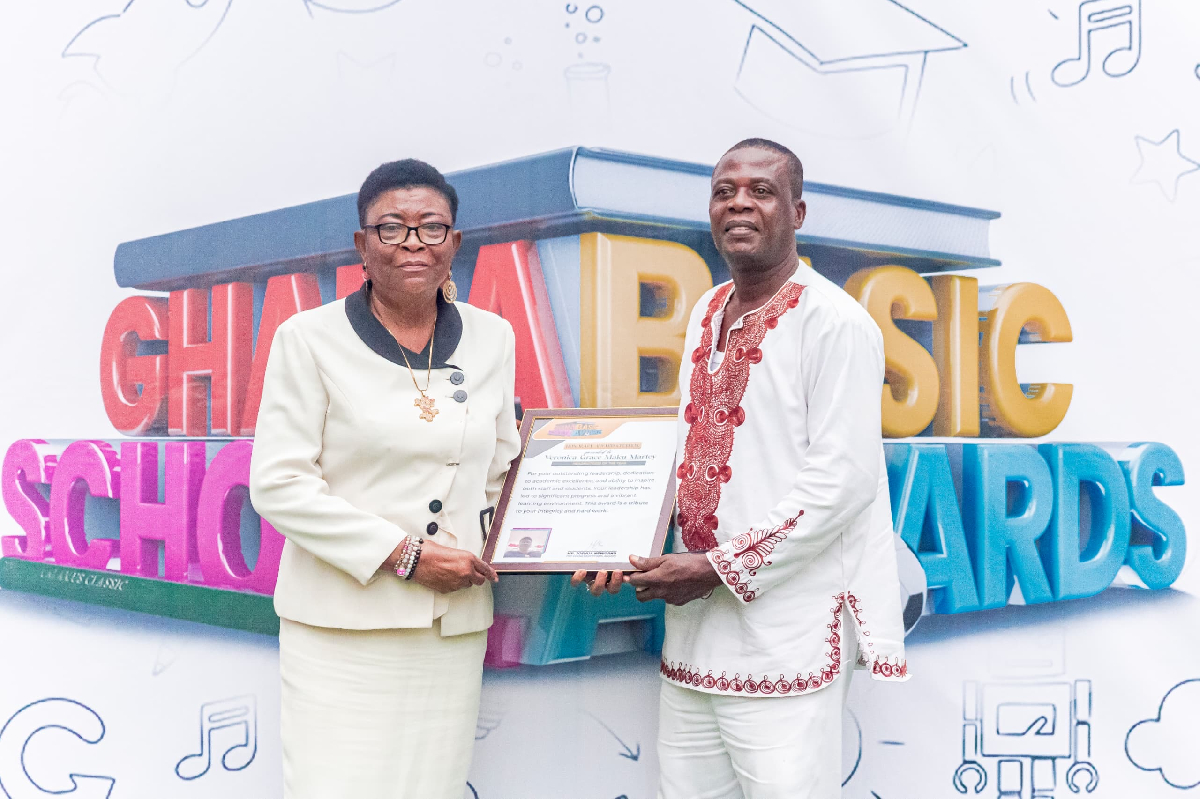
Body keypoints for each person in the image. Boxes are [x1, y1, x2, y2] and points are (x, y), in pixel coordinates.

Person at [573, 139, 909, 799]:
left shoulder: (835, 323)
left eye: (761, 191)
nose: (739, 204)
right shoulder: (707, 310)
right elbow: (688, 449)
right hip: (694, 637)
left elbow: (843, 482)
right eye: (724, 191)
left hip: (787, 635)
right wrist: (616, 539)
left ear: (798, 212)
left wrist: (716, 568)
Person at [249, 159, 520, 799]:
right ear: (362, 245)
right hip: (343, 625)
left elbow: (501, 472)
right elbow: (279, 483)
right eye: (392, 228)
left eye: (432, 228)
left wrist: (574, 542)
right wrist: (405, 554)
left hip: (451, 628)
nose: (413, 243)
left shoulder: (493, 337)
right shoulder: (308, 338)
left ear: (455, 241)